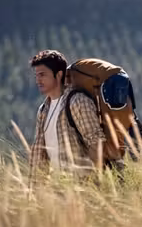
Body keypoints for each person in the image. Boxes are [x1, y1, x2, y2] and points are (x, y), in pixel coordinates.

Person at [28, 50, 107, 179]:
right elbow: (39, 155)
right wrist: (35, 188)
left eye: (42, 75)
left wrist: (91, 183)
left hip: (81, 186)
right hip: (58, 187)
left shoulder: (78, 102)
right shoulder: (43, 110)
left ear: (59, 75)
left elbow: (96, 143)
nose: (38, 80)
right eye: (36, 76)